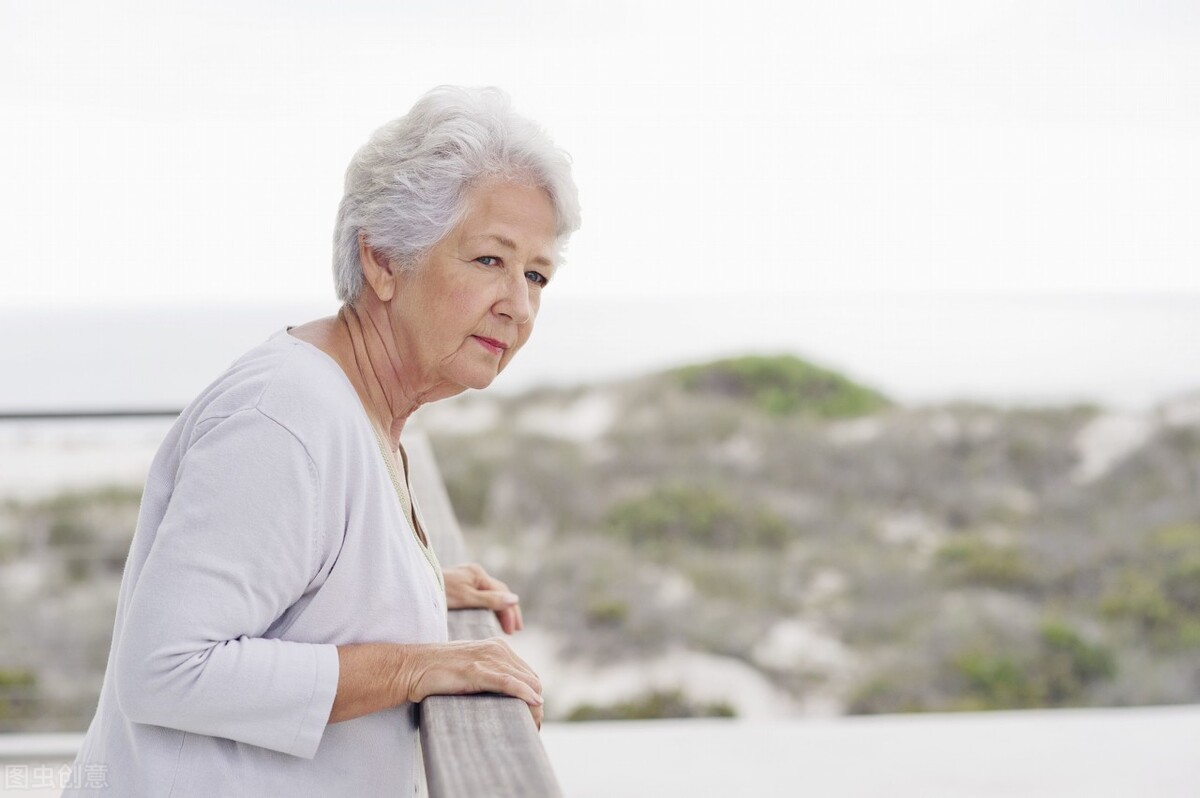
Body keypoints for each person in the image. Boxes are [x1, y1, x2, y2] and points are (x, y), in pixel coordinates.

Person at [66, 86, 581, 797]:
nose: (518, 306)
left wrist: (414, 583)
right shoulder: (285, 419)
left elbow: (302, 577)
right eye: (489, 261)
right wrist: (413, 666)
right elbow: (165, 668)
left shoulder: (361, 407)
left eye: (536, 275)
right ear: (383, 261)